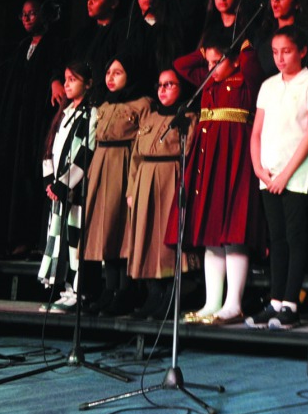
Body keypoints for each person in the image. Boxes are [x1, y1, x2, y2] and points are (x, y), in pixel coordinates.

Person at [171, 36, 265, 325]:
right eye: (208, 62)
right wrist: (205, 51)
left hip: (235, 156)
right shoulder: (208, 80)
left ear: (235, 60)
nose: (211, 68)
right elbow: (181, 65)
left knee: (234, 230)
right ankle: (212, 302)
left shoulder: (245, 77)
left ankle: (233, 304)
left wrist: (241, 46)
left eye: (217, 61)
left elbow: (251, 63)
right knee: (211, 232)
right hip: (209, 158)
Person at [247, 25, 308, 329]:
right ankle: (275, 301)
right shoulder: (268, 86)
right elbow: (256, 132)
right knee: (276, 239)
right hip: (268, 173)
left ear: (302, 51)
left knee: (295, 237)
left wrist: (285, 175)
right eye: (275, 52)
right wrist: (258, 168)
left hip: (296, 175)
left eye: (287, 51)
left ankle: (291, 304)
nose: (280, 58)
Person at [0, 0, 65, 256]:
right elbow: (6, 93)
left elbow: (58, 72)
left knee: (30, 177)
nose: (27, 18)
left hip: (37, 125)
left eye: (32, 13)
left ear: (44, 15)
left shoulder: (55, 44)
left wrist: (55, 80)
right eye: (23, 14)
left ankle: (27, 238)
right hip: (14, 126)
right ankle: (3, 238)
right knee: (9, 177)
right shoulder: (21, 48)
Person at [82, 56, 152, 315]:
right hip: (102, 164)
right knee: (106, 228)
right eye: (108, 72)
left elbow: (143, 141)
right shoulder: (105, 103)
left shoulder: (142, 104)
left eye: (118, 72)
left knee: (122, 228)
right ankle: (109, 288)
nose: (110, 78)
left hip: (124, 164)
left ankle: (127, 289)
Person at [123, 67, 192, 320]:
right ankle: (153, 294)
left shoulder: (188, 117)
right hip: (145, 181)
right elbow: (136, 157)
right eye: (160, 85)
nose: (163, 90)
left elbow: (190, 153)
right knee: (146, 238)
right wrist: (132, 189)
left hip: (170, 179)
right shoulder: (150, 117)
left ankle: (171, 295)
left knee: (166, 240)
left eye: (169, 84)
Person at [37, 62, 97, 313]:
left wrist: (63, 184)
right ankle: (65, 289)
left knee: (76, 241)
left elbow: (85, 152)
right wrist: (49, 181)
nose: (67, 84)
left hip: (75, 191)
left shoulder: (91, 114)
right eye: (66, 79)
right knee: (60, 239)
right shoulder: (64, 113)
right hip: (59, 190)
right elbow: (51, 147)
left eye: (73, 79)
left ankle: (79, 291)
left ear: (88, 83)